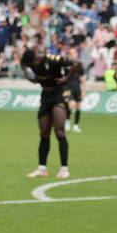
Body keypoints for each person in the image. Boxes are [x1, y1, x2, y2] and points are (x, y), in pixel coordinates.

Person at [21, 46, 80, 180]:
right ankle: (42, 168)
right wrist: (29, 75)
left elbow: (78, 63)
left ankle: (64, 169)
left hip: (59, 94)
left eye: (35, 62)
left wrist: (66, 79)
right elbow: (28, 71)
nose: (34, 65)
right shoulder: (27, 63)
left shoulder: (52, 59)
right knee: (44, 133)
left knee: (59, 131)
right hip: (46, 95)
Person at [64, 46, 85, 132]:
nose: (72, 55)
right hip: (68, 88)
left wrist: (84, 89)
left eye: (74, 53)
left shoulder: (79, 64)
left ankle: (76, 125)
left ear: (76, 54)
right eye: (71, 53)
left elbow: (82, 78)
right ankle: (67, 121)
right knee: (70, 105)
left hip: (77, 87)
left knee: (78, 107)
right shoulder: (66, 64)